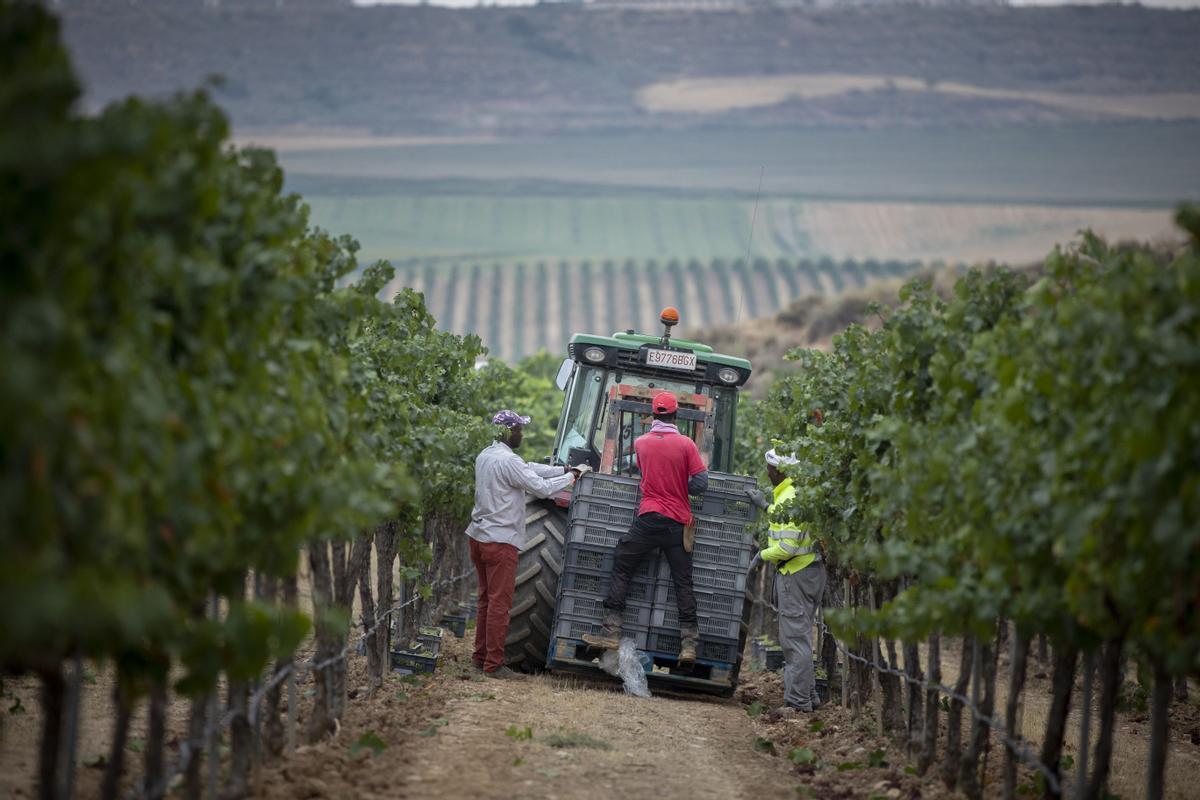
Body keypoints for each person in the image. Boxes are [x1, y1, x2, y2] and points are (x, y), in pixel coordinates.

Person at [582, 391, 709, 666]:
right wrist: (679, 484)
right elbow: (701, 484)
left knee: (623, 562)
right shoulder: (687, 444)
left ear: (654, 415)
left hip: (649, 518)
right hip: (678, 523)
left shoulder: (641, 443)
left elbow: (645, 473)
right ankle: (688, 644)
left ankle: (612, 630)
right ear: (676, 415)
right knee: (683, 582)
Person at [466, 410, 586, 679]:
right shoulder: (508, 461)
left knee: (486, 600)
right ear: (508, 432)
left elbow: (527, 468)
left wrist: (563, 469)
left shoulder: (487, 455)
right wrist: (572, 478)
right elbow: (541, 489)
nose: (522, 434)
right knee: (500, 604)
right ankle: (494, 665)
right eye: (519, 429)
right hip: (500, 541)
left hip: (478, 536)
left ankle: (479, 656)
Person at [748, 449, 826, 712]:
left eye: (769, 468)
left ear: (779, 471)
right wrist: (766, 507)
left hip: (796, 574)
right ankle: (809, 695)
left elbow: (788, 547)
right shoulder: (790, 496)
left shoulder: (789, 497)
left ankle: (798, 702)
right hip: (807, 573)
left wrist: (762, 554)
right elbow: (786, 523)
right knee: (800, 636)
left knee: (794, 641)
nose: (767, 473)